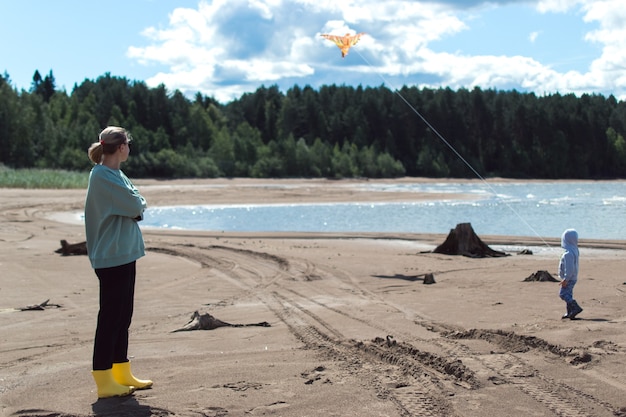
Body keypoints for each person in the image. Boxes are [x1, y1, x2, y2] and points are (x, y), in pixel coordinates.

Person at [85, 126, 153, 398]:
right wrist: (135, 207)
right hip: (111, 256)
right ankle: (103, 379)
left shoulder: (115, 173)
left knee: (123, 316)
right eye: (128, 143)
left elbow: (136, 201)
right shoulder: (102, 176)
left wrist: (135, 206)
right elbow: (137, 206)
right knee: (110, 318)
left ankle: (121, 371)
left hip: (124, 253)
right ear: (121, 147)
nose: (129, 147)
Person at [558, 228, 583, 320]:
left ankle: (575, 307)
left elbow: (569, 268)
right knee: (568, 294)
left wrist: (566, 279)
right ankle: (569, 312)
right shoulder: (574, 251)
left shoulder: (568, 254)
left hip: (569, 278)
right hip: (573, 277)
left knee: (563, 294)